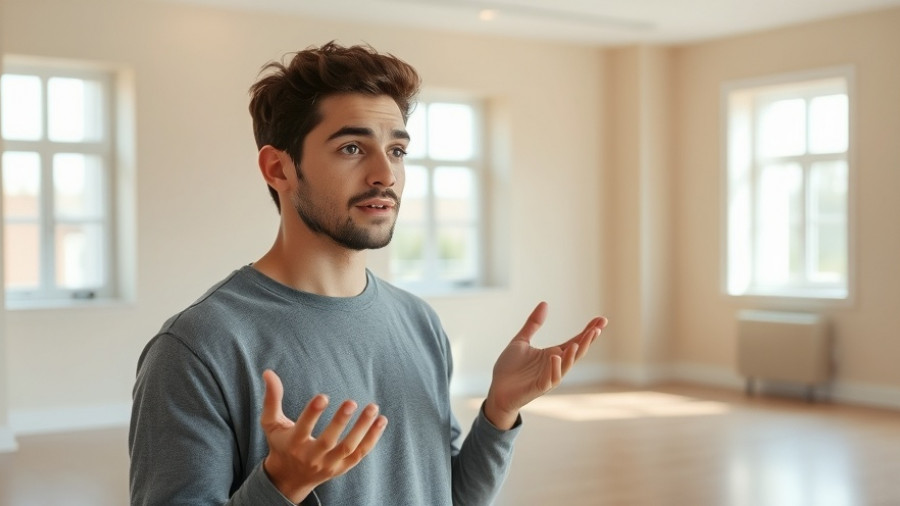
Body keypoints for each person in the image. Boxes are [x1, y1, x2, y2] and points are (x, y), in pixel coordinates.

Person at [129, 41, 607, 506]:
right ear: (278, 168)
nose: (385, 174)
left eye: (397, 151)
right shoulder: (198, 347)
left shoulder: (418, 322)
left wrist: (500, 411)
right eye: (353, 148)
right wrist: (281, 485)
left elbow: (451, 495)